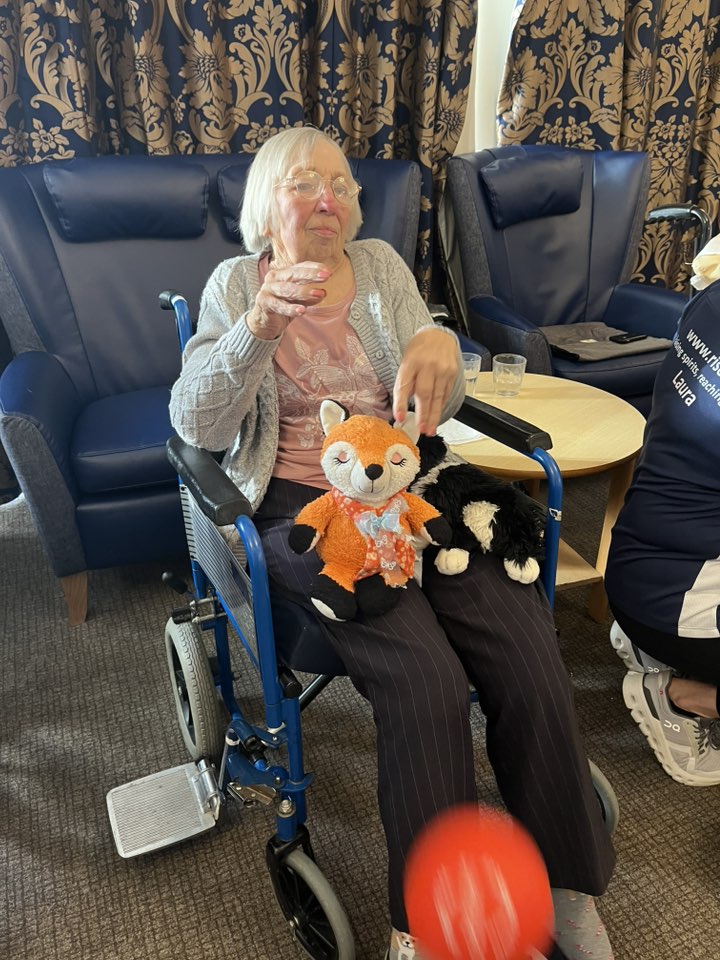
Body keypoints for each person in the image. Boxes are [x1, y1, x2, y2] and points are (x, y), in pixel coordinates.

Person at [169, 126, 615, 960]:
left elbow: (429, 378)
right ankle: (431, 921)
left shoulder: (378, 267)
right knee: (428, 683)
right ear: (266, 206)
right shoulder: (236, 284)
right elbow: (196, 424)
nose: (328, 199)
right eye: (305, 184)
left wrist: (442, 344)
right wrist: (259, 324)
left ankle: (564, 883)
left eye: (341, 185)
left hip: (412, 489)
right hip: (306, 506)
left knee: (527, 647)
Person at [605, 268, 720, 788]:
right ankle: (682, 695)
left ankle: (651, 645)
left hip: (636, 564)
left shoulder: (712, 299)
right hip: (679, 601)